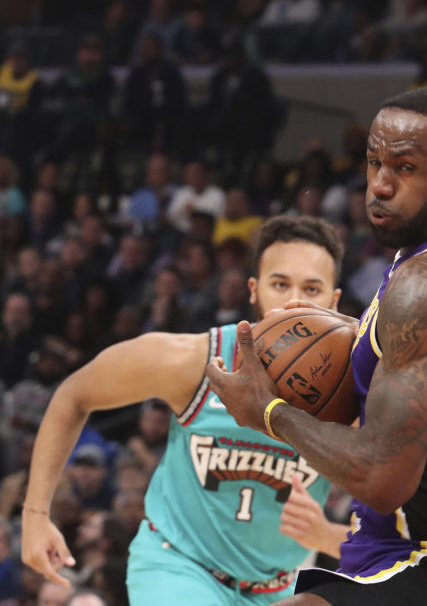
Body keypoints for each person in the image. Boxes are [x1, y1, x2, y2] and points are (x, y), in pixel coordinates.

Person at [205, 87, 427, 605]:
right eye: (373, 163)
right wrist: (365, 331)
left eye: (405, 168)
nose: (380, 186)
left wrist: (269, 412)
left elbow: (380, 476)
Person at [21, 216, 349, 604]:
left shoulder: (357, 395)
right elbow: (75, 394)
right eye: (280, 284)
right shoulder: (192, 361)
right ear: (253, 290)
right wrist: (35, 514)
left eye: (312, 288)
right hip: (177, 567)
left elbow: (412, 538)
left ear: (334, 300)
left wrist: (329, 536)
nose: (294, 300)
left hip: (279, 588)